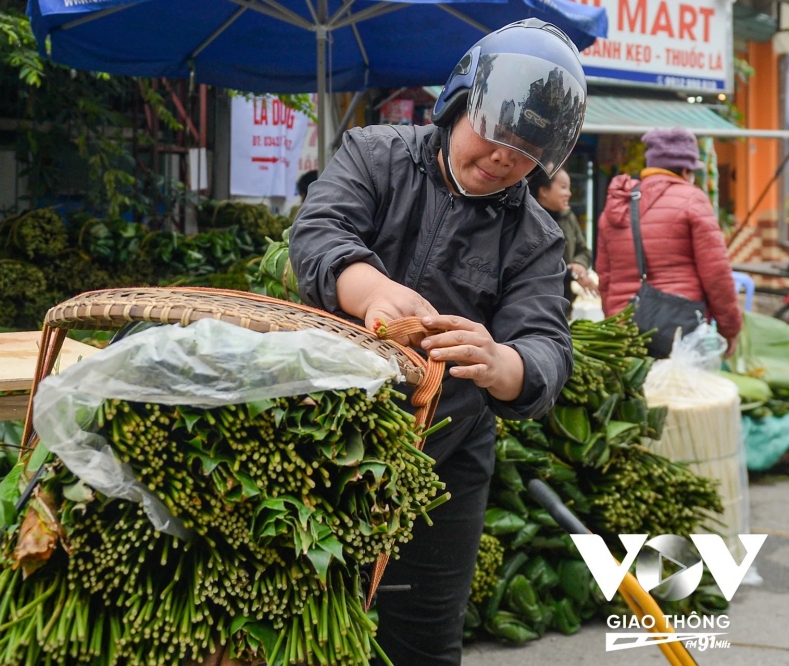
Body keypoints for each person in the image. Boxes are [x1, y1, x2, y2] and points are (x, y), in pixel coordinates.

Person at [289, 20, 583, 666]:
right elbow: (318, 234)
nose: (506, 157)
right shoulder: (375, 153)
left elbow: (545, 345)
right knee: (299, 620)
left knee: (420, 639)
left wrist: (504, 363)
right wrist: (368, 292)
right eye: (497, 133)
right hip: (316, 435)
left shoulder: (535, 236)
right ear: (457, 104)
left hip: (443, 458)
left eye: (528, 149)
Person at [596, 128, 742, 355]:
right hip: (677, 329)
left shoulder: (618, 202)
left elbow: (604, 276)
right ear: (686, 170)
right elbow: (716, 273)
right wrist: (729, 327)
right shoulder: (693, 199)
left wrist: (614, 320)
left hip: (624, 329)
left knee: (634, 389)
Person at [528, 168, 595, 306]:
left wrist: (579, 264)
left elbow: (583, 251)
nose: (569, 194)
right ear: (544, 191)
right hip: (535, 303)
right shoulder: (528, 219)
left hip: (564, 302)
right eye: (563, 187)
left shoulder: (568, 217)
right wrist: (573, 273)